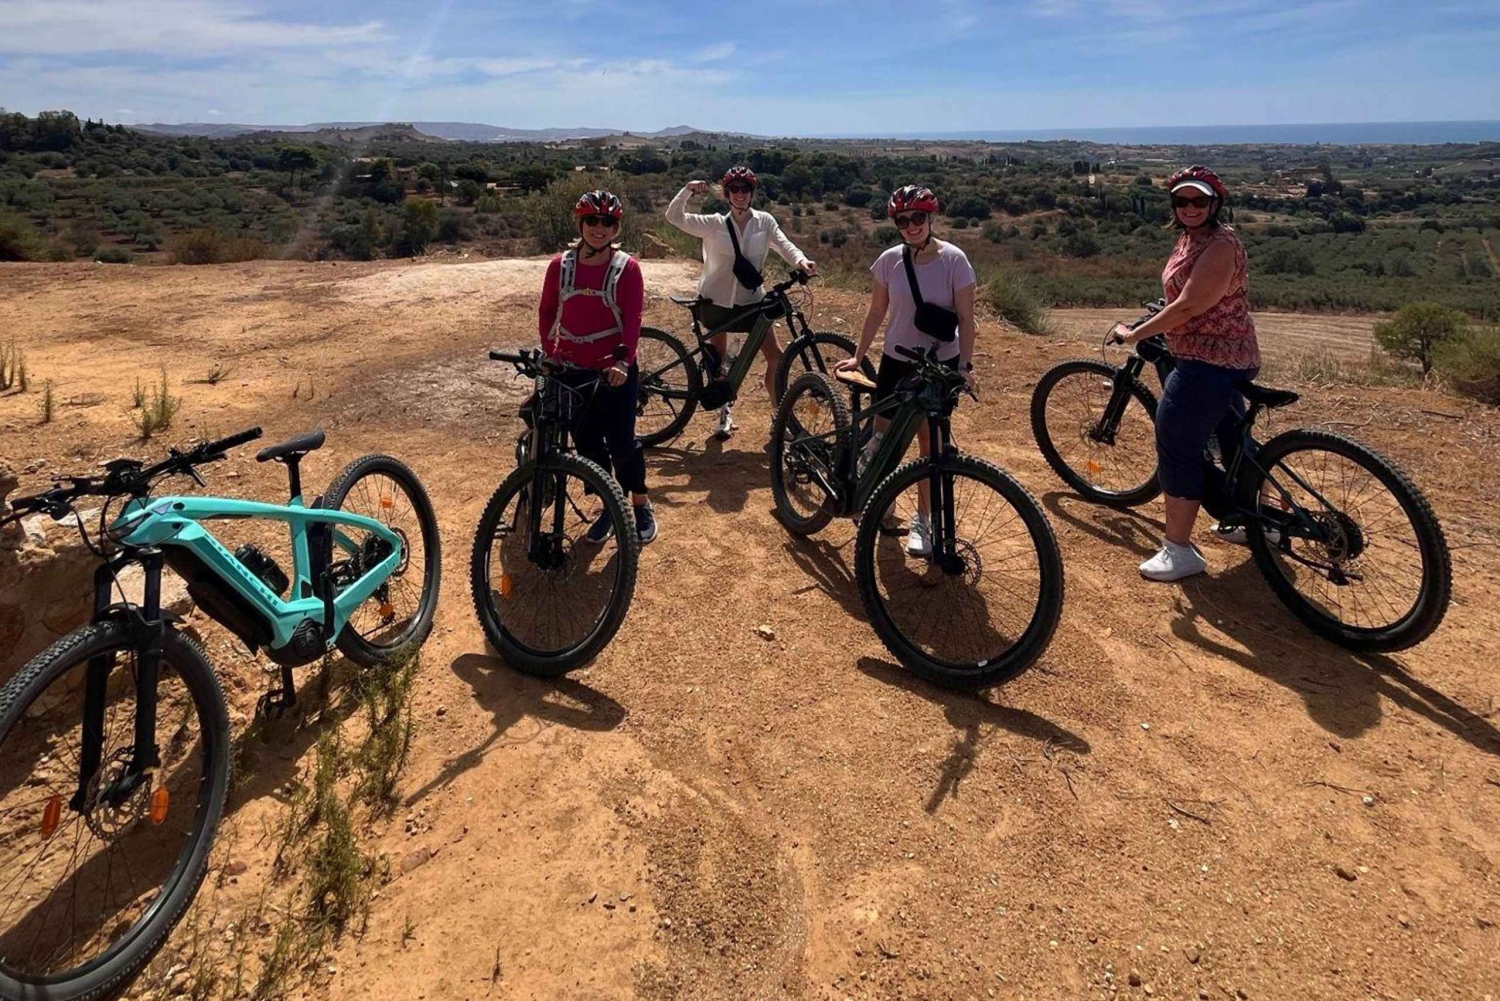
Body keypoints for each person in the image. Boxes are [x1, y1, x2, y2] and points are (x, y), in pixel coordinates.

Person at [1110, 165, 1261, 582]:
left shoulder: (1220, 244)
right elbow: (1183, 297)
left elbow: (1193, 304)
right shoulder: (1192, 237)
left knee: (1175, 441)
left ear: (1215, 203)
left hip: (1208, 359)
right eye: (1182, 201)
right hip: (1227, 354)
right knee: (1232, 439)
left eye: (1198, 200)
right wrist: (1166, 313)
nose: (1190, 207)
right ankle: (1257, 520)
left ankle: (1179, 550)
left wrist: (1136, 333)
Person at [836, 185, 978, 558]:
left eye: (918, 218)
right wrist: (858, 355)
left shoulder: (955, 260)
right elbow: (876, 312)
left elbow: (967, 318)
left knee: (929, 446)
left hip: (939, 365)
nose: (911, 225)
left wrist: (965, 365)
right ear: (895, 223)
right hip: (896, 360)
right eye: (903, 220)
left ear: (931, 218)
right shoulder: (888, 261)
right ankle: (878, 499)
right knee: (882, 438)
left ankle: (925, 521)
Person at [538, 189, 657, 545]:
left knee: (622, 443)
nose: (599, 228)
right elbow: (547, 311)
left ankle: (639, 503)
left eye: (608, 222)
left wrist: (623, 361)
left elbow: (633, 319)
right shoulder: (561, 266)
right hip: (571, 368)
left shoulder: (627, 269)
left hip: (613, 369)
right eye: (592, 220)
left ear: (616, 227)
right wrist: (550, 351)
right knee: (588, 444)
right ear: (581, 223)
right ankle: (609, 504)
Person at [665, 166, 817, 438]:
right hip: (717, 300)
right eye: (734, 189)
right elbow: (674, 216)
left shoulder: (764, 222)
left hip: (751, 301)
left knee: (776, 357)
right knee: (719, 361)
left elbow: (783, 244)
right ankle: (724, 413)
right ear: (726, 193)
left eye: (745, 189)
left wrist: (800, 260)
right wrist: (688, 189)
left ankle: (778, 417)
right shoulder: (714, 224)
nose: (739, 194)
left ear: (752, 193)